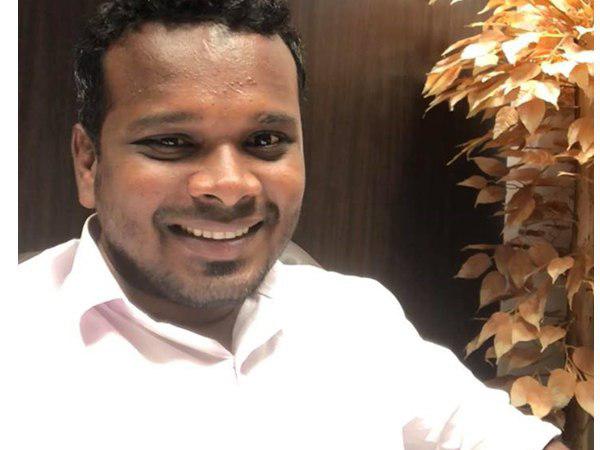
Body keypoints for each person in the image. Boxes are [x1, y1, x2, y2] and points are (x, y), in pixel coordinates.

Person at [10, 1, 567, 449]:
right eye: (171, 142)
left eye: (265, 141)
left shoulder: (358, 317)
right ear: (89, 163)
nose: (230, 185)